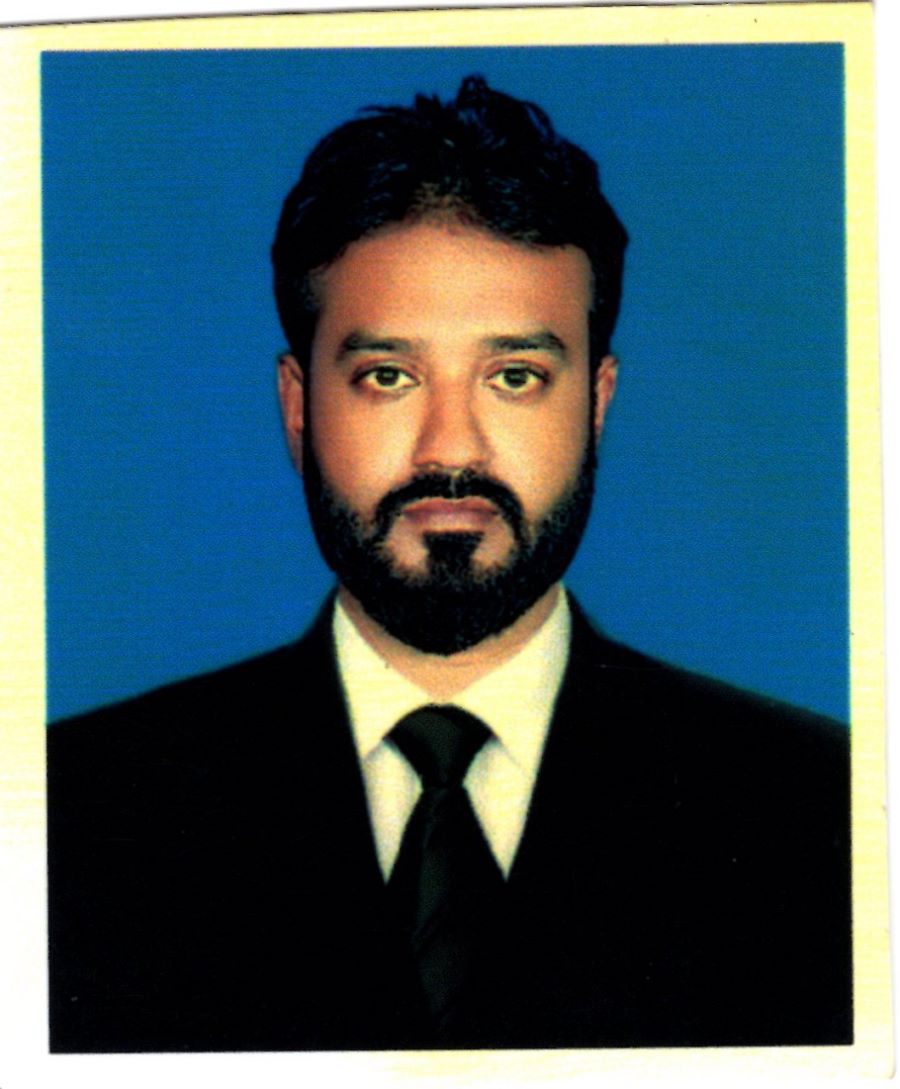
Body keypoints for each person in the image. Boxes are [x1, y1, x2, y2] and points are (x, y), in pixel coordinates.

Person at [47, 76, 852, 1053]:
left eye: (515, 376)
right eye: (388, 376)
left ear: (597, 404)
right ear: (298, 408)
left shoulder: (824, 810)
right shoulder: (71, 813)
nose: (451, 449)